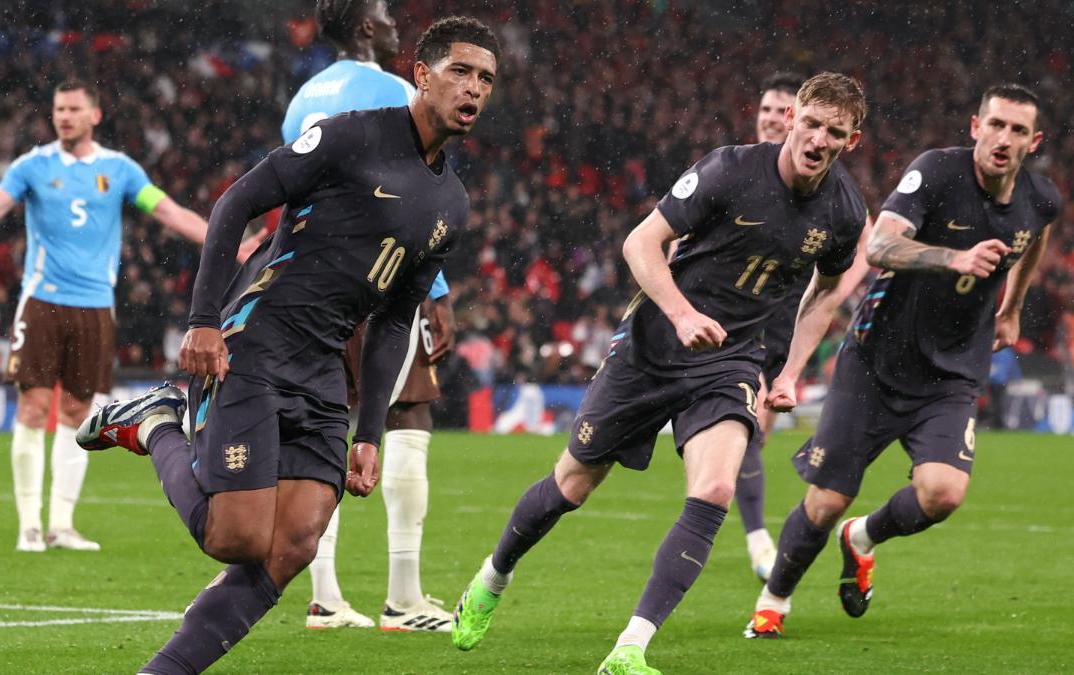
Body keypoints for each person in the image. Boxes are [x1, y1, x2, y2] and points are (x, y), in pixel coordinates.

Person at [76, 17, 499, 674]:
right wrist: (204, 319)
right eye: (460, 71)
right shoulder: (351, 134)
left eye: (486, 79)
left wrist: (370, 433)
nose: (474, 89)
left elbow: (393, 321)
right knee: (236, 536)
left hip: (326, 367)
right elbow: (236, 203)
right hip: (257, 342)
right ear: (421, 73)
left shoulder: (453, 202)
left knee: (295, 540)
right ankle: (156, 420)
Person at [452, 72, 868, 674]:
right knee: (573, 484)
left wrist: (791, 372)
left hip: (734, 357)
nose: (818, 139)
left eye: (835, 132)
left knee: (715, 489)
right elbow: (640, 243)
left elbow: (826, 294)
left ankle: (630, 648)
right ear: (792, 118)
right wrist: (681, 312)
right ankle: (492, 578)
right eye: (811, 123)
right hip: (653, 347)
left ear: (851, 141)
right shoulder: (729, 170)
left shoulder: (844, 212)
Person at [743, 84, 1059, 639]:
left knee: (943, 493)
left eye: (1016, 130)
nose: (1002, 138)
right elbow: (879, 247)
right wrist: (952, 257)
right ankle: (775, 599)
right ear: (974, 126)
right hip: (875, 361)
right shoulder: (937, 172)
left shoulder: (1041, 198)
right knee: (825, 502)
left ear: (1033, 142)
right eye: (995, 125)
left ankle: (862, 537)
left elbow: (1034, 235)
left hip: (951, 374)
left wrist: (1011, 309)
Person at [0, 80, 217, 553]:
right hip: (43, 302)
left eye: (74, 109)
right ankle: (29, 526)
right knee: (35, 407)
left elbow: (167, 211)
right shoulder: (33, 167)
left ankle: (62, 524)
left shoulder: (119, 170)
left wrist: (222, 242)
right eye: (59, 109)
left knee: (81, 413)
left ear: (94, 115)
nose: (64, 116)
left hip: (96, 307)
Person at [281, 0, 458, 632]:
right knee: (408, 412)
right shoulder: (396, 90)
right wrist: (433, 291)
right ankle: (403, 598)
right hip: (381, 283)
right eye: (383, 13)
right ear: (364, 29)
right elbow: (417, 197)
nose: (391, 22)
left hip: (311, 286)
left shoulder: (303, 97)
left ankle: (324, 596)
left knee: (322, 425)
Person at [737, 72, 875, 581]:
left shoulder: (835, 195)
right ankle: (756, 540)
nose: (773, 119)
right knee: (740, 427)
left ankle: (740, 526)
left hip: (781, 322)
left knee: (752, 431)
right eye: (766, 111)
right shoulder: (737, 169)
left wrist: (832, 291)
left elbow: (867, 242)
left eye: (780, 110)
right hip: (727, 319)